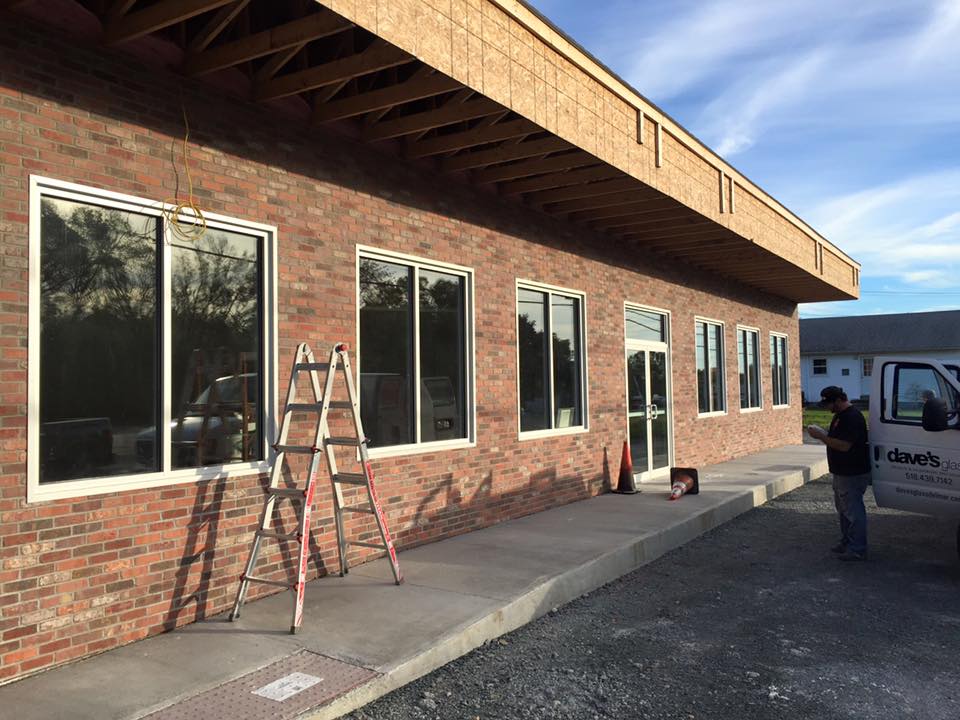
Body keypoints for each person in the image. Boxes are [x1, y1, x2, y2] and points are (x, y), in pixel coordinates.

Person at [807, 386, 871, 561]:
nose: (827, 408)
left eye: (828, 403)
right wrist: (823, 433)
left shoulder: (852, 417)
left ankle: (858, 548)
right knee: (844, 509)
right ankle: (847, 542)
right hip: (841, 472)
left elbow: (844, 445)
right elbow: (836, 438)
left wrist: (821, 436)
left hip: (852, 472)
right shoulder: (840, 416)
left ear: (838, 400)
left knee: (853, 510)